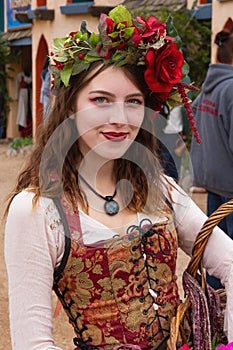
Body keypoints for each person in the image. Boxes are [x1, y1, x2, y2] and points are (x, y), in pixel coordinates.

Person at [4, 6, 233, 349]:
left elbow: (229, 261)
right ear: (70, 108)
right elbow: (33, 343)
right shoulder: (38, 211)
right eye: (101, 100)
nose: (120, 118)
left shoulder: (160, 188)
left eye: (133, 101)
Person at [190, 17, 233, 290]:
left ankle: (215, 316)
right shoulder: (231, 89)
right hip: (231, 189)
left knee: (217, 251)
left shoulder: (209, 87)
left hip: (214, 183)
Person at [40, 56, 51, 124]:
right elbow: (47, 83)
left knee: (45, 111)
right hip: (47, 93)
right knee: (48, 112)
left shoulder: (43, 72)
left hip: (44, 93)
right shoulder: (48, 73)